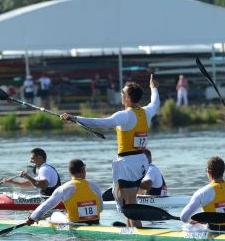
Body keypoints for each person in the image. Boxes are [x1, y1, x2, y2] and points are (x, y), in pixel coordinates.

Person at [60, 74, 160, 227]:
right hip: (141, 162)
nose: (121, 95)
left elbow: (101, 122)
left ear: (127, 97)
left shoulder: (125, 115)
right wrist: (153, 88)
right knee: (126, 200)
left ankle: (139, 237)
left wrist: (75, 118)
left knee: (130, 203)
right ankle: (130, 232)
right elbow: (155, 102)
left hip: (128, 164)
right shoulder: (147, 112)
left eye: (123, 93)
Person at [26, 159, 103, 225]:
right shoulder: (95, 186)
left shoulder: (64, 188)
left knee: (55, 214)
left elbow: (46, 206)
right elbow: (101, 209)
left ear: (70, 172)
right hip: (95, 222)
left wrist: (31, 218)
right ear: (83, 171)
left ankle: (45, 221)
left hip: (74, 224)